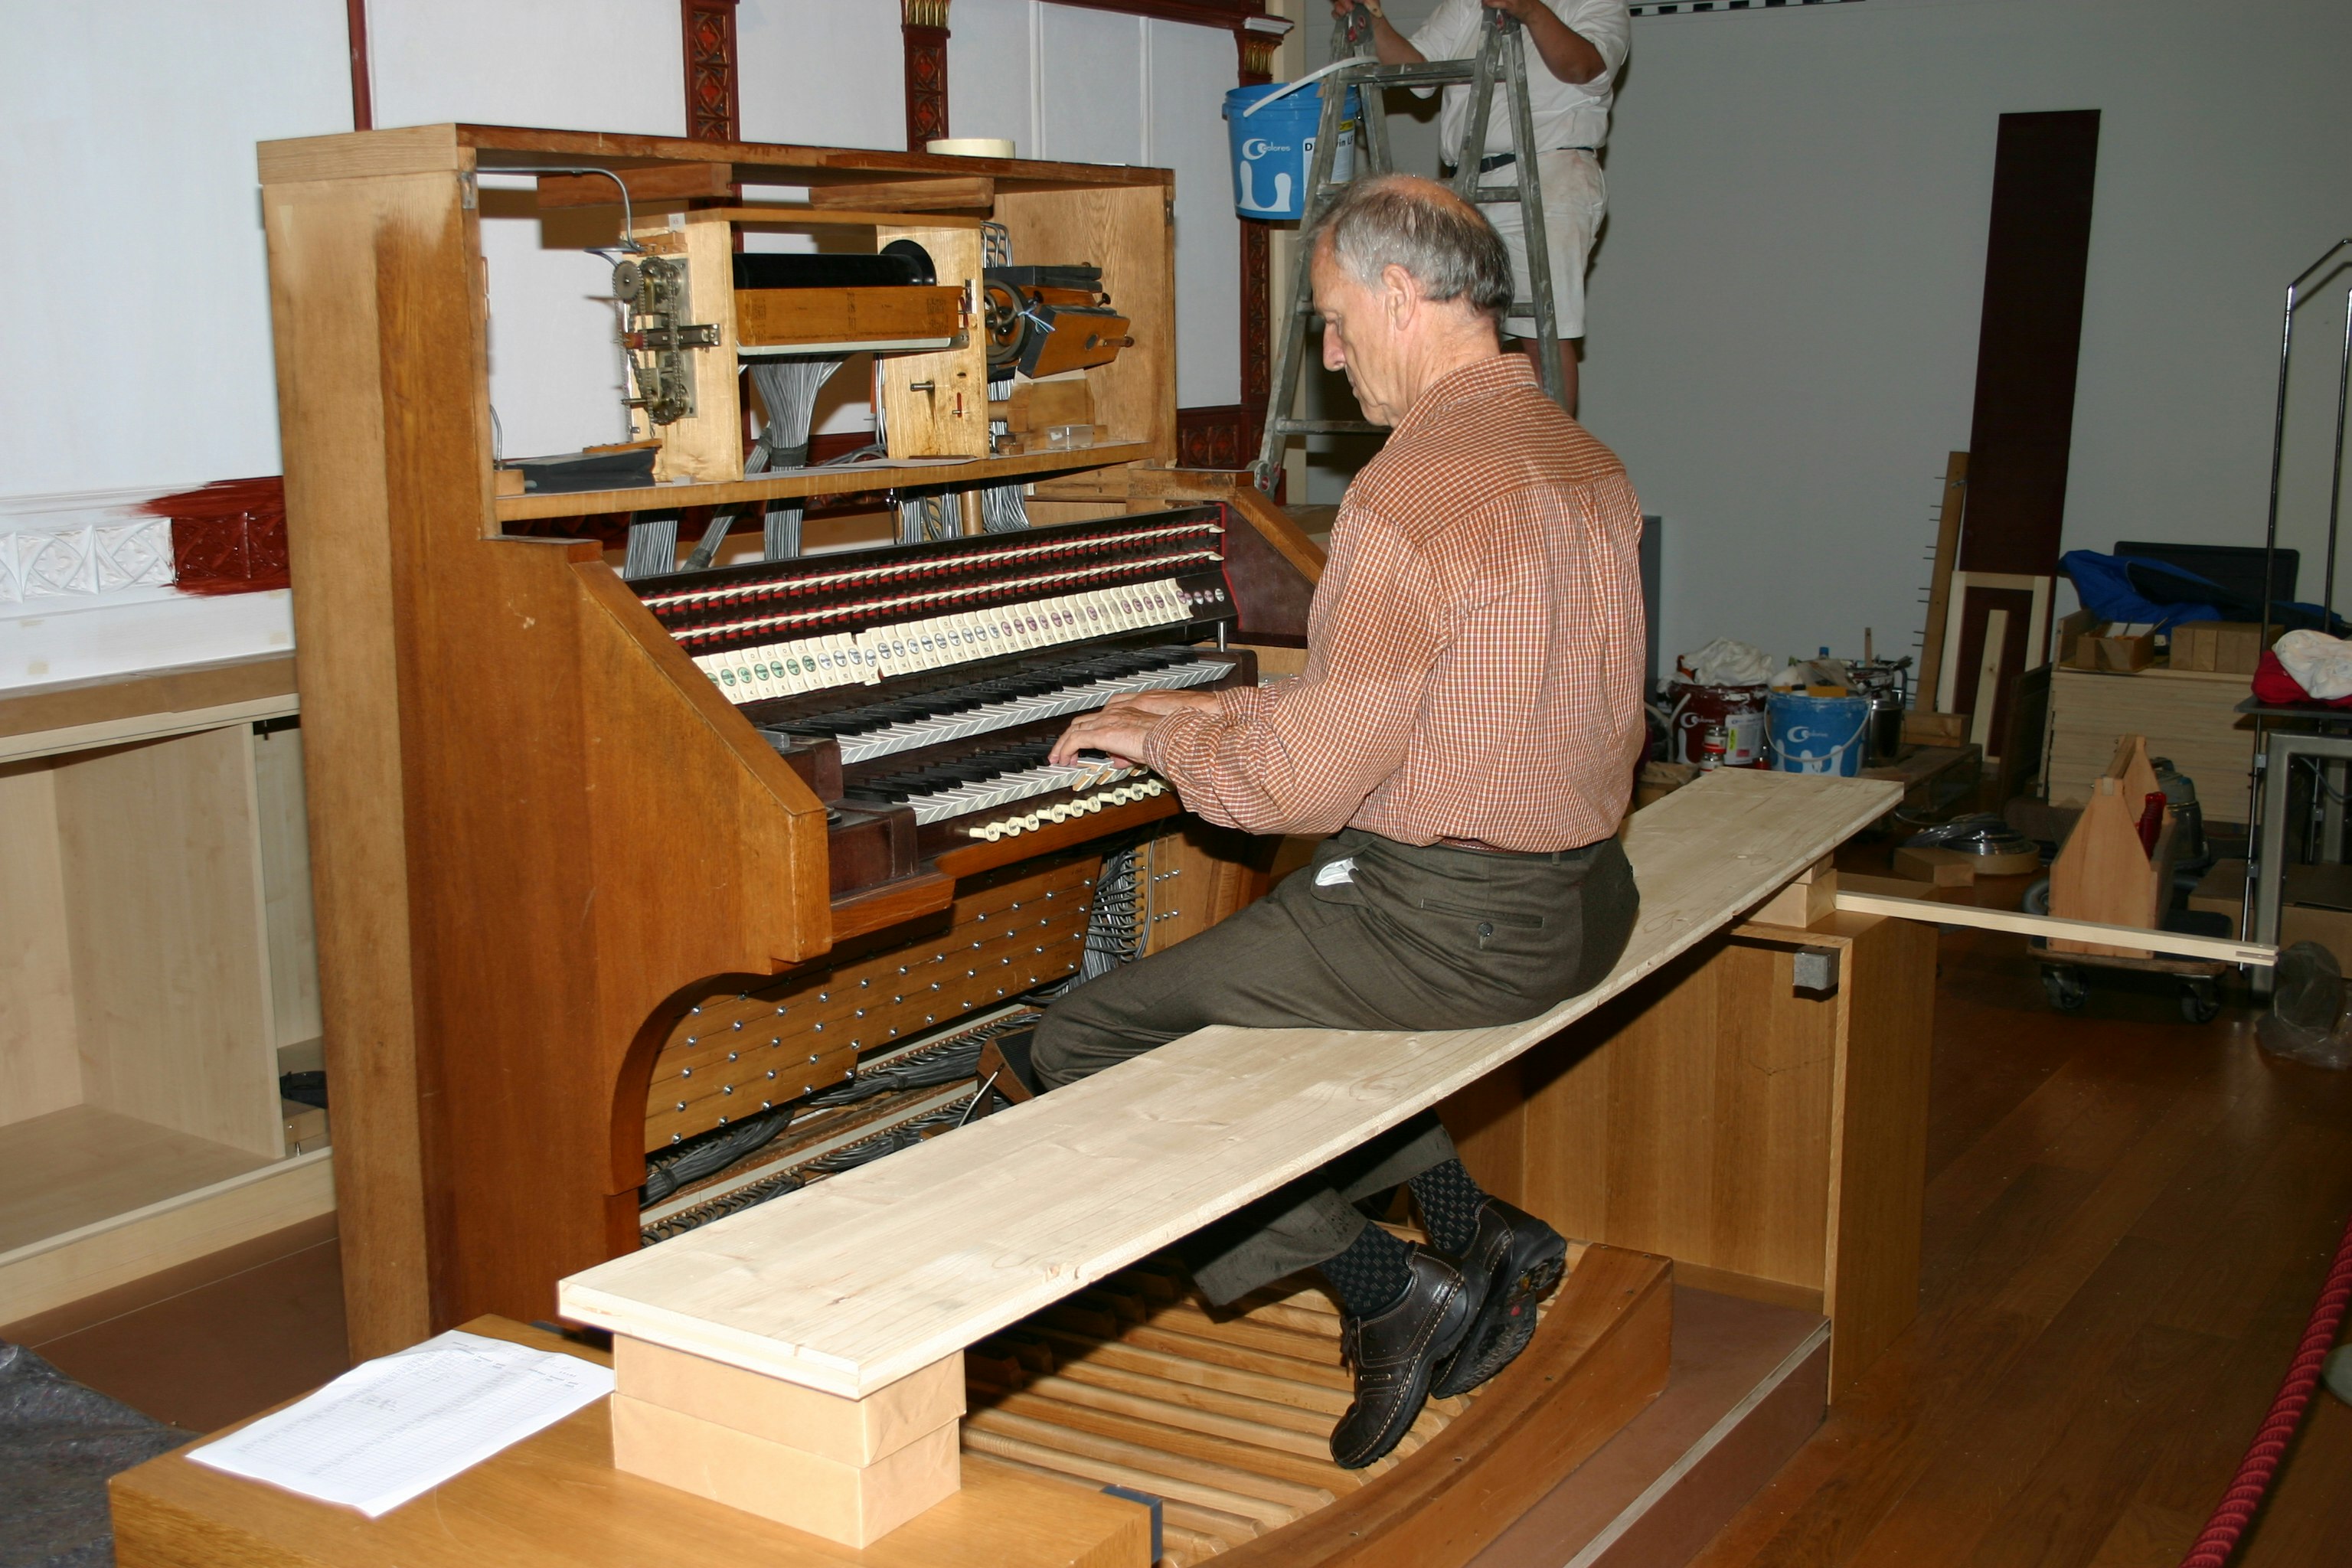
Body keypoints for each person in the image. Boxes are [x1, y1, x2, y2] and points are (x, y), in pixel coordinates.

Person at [1007, 175, 1647, 1470]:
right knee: (1287, 967)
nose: (1332, 349)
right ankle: (1476, 1224)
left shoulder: (1412, 487)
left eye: (1338, 319)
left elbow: (1298, 785)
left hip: (1458, 927)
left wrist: (1168, 730)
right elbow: (1436, 705)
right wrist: (1214, 712)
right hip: (1585, 899)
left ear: (1402, 295)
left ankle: (1387, 1288)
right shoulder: (1582, 453)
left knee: (1085, 1041)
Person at [1332, 0, 1629, 413]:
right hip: (1467, 184)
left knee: (1542, 334)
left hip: (1549, 173)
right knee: (1450, 325)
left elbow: (1583, 68)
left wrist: (1530, 10)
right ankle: (1474, 452)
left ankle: (1551, 467)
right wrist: (1371, 18)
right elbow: (1415, 70)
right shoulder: (1469, 4)